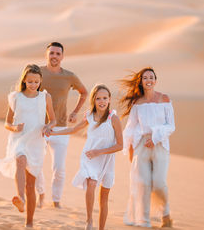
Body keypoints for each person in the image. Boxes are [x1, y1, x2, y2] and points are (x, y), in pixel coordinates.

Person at [50, 84, 123, 230]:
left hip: (106, 159)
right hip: (89, 157)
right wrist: (53, 132)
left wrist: (99, 152)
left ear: (109, 100)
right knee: (91, 183)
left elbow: (120, 145)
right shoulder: (89, 116)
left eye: (105, 98)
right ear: (94, 100)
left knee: (104, 198)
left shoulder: (113, 118)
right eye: (98, 98)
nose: (102, 101)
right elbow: (73, 129)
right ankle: (89, 221)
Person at [0, 64, 56, 227]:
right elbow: (7, 123)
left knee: (31, 184)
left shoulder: (45, 97)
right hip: (19, 138)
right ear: (24, 80)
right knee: (19, 160)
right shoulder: (15, 97)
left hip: (36, 140)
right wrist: (14, 128)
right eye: (30, 81)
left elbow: (53, 119)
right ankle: (20, 198)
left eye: (36, 81)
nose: (33, 84)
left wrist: (48, 127)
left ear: (40, 81)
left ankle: (29, 222)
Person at [120, 67, 175, 228]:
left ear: (155, 80)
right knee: (142, 183)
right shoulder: (137, 103)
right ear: (141, 82)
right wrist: (131, 151)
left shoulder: (164, 99)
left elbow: (171, 125)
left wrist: (156, 136)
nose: (148, 80)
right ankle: (143, 221)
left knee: (158, 183)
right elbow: (130, 128)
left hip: (160, 145)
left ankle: (165, 213)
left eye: (151, 77)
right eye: (145, 78)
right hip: (141, 146)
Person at [36, 42, 88, 209]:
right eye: (51, 53)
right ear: (46, 55)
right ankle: (41, 194)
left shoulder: (69, 76)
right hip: (39, 127)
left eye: (58, 54)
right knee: (35, 164)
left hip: (61, 128)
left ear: (62, 57)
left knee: (59, 168)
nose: (54, 56)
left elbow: (84, 92)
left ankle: (56, 201)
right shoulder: (38, 72)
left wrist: (75, 112)